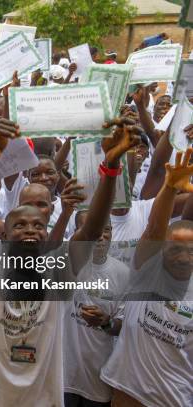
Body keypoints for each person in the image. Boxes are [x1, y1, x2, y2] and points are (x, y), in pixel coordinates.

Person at [0, 116, 140, 407]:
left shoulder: (59, 268)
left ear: (47, 231)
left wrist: (112, 166)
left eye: (38, 225)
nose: (30, 229)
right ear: (5, 232)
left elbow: (91, 229)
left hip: (40, 400)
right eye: (20, 225)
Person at [101, 148, 193, 407]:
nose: (184, 256)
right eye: (175, 248)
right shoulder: (145, 274)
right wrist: (171, 188)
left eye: (191, 251)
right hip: (126, 395)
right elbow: (153, 229)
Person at [63, 212, 129, 407]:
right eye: (92, 230)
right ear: (77, 233)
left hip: (97, 379)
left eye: (106, 230)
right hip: (63, 376)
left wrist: (105, 322)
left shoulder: (123, 274)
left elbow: (122, 325)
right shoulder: (64, 263)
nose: (100, 236)